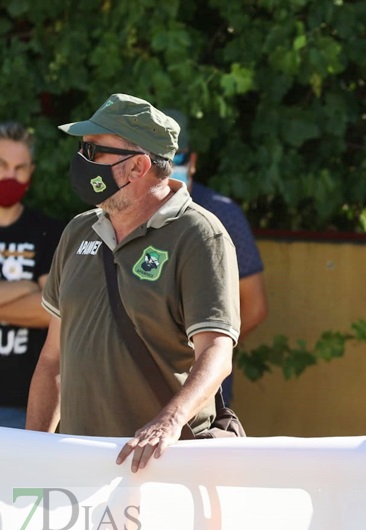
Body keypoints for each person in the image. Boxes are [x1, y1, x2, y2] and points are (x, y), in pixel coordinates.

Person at [26, 94, 240, 472]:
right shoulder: (78, 231)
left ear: (138, 166)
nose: (81, 160)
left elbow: (217, 354)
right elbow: (52, 361)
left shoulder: (199, 235)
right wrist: (32, 456)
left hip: (161, 465)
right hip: (79, 466)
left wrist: (169, 422)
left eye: (93, 150)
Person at [165, 109, 268, 407]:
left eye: (178, 158)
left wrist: (206, 352)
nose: (169, 168)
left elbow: (255, 306)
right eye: (159, 159)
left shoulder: (223, 215)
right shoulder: (124, 213)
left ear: (193, 161)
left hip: (203, 390)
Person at [0, 122, 64, 429]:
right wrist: (25, 286)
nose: (10, 176)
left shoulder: (48, 232)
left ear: (31, 171)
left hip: (22, 404)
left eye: (20, 168)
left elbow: (50, 312)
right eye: (2, 165)